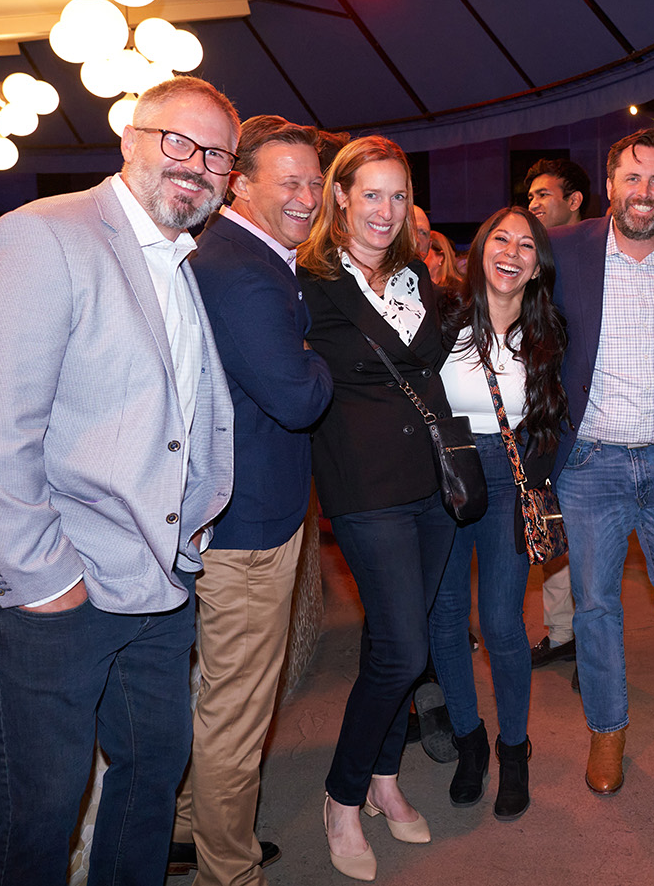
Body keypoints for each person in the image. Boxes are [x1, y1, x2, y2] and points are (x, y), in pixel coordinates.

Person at [0, 76, 238, 884]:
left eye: (217, 154)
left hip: (157, 582)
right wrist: (49, 582)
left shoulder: (179, 260)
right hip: (55, 592)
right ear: (130, 139)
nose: (196, 163)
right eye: (177, 140)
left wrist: (190, 532)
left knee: (154, 772)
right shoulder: (40, 234)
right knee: (39, 815)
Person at [170, 116, 333, 884]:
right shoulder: (242, 266)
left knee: (220, 695)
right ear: (240, 183)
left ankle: (190, 827)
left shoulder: (249, 255)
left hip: (238, 511)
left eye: (314, 182)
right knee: (237, 708)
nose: (306, 196)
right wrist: (319, 358)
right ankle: (228, 869)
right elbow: (298, 397)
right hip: (245, 523)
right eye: (288, 181)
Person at [298, 136, 455, 881]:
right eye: (371, 194)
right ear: (339, 196)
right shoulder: (309, 281)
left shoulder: (418, 278)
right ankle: (342, 794)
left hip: (434, 488)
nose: (386, 211)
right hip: (365, 490)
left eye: (398, 195)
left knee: (393, 640)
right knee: (404, 650)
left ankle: (385, 778)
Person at [549, 129, 654, 805]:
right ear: (610, 184)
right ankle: (607, 730)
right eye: (632, 177)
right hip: (591, 463)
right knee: (594, 607)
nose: (644, 192)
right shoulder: (563, 251)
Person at [428, 205, 568, 821]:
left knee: (502, 622)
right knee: (445, 616)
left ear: (538, 267)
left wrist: (539, 481)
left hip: (512, 478)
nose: (511, 252)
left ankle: (514, 749)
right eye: (501, 240)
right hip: (445, 473)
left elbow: (557, 420)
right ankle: (469, 741)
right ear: (480, 249)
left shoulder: (550, 334)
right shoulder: (442, 319)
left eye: (527, 245)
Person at [525, 157, 590, 669]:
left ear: (575, 201)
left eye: (543, 194)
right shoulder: (532, 256)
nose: (533, 203)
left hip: (590, 419)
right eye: (530, 196)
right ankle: (563, 632)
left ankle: (589, 640)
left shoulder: (596, 258)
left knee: (590, 540)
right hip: (544, 416)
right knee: (549, 525)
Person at [526, 158, 589, 230]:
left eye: (543, 195)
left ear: (574, 201)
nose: (532, 206)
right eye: (531, 199)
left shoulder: (597, 236)